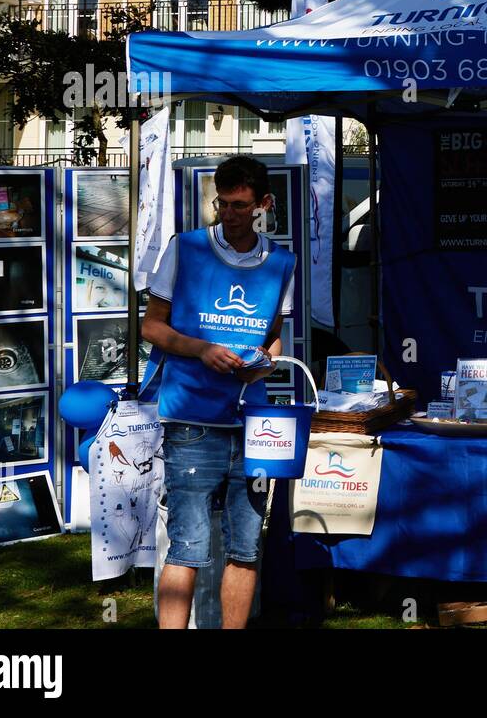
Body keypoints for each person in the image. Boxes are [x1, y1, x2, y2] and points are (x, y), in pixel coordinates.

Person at [142, 156, 297, 629]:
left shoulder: (281, 263)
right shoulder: (185, 248)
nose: (228, 214)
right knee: (187, 544)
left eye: (239, 205)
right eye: (222, 203)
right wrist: (202, 350)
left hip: (254, 422)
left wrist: (264, 364)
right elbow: (151, 326)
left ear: (263, 205)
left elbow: (274, 337)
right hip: (192, 418)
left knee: (246, 546)